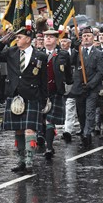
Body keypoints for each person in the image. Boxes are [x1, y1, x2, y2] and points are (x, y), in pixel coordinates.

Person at [0, 26, 48, 173]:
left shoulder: (40, 56)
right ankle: (21, 161)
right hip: (15, 96)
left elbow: (43, 79)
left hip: (32, 95)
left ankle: (29, 161)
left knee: (29, 130)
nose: (16, 39)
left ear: (28, 39)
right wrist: (3, 41)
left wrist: (45, 99)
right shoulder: (11, 52)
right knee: (19, 131)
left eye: (19, 37)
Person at [70, 26, 103, 149]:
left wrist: (91, 84)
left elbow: (100, 72)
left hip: (92, 87)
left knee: (90, 111)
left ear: (93, 38)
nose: (86, 38)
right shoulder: (78, 51)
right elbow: (71, 62)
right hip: (79, 87)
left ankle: (86, 134)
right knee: (81, 112)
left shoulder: (99, 53)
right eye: (84, 36)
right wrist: (74, 47)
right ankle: (84, 129)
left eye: (88, 36)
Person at [41, 29, 73, 159]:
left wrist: (68, 86)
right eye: (46, 37)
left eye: (51, 37)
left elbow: (68, 74)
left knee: (50, 120)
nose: (48, 39)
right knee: (41, 120)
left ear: (56, 40)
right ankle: (42, 138)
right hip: (40, 92)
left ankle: (49, 147)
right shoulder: (38, 53)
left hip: (55, 91)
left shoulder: (63, 54)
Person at [60, 31, 77, 142]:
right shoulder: (58, 53)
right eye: (61, 41)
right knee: (64, 106)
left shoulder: (76, 53)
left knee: (70, 106)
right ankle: (65, 125)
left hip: (74, 83)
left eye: (65, 41)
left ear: (70, 43)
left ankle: (68, 129)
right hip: (61, 83)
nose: (62, 43)